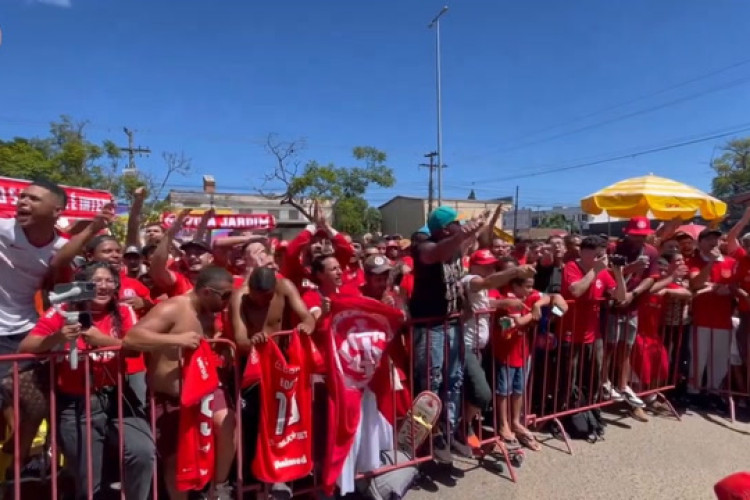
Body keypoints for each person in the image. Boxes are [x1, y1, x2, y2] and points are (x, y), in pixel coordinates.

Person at [19, 262, 154, 500]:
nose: (102, 286)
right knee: (88, 480)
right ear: (82, 285)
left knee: (142, 452)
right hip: (76, 406)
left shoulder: (123, 312)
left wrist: (103, 340)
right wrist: (58, 337)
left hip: (118, 399)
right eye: (95, 281)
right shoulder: (63, 309)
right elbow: (26, 347)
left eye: (109, 281)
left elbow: (134, 348)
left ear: (117, 286)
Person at [124, 267, 237, 500]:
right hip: (169, 397)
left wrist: (222, 349)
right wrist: (176, 339)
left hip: (204, 390)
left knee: (226, 422)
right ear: (206, 292)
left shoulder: (209, 311)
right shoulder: (174, 307)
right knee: (176, 458)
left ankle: (220, 487)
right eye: (225, 296)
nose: (228, 301)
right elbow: (132, 338)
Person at [0, 179, 76, 478]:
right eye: (21, 197)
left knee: (33, 407)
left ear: (56, 210)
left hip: (22, 334)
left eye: (32, 198)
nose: (22, 202)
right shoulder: (3, 229)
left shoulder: (63, 248)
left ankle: (12, 473)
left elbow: (61, 295)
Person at [410, 206, 485, 463]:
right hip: (430, 327)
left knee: (453, 380)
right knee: (431, 383)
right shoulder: (425, 246)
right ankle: (432, 435)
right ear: (444, 229)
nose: (459, 226)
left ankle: (450, 431)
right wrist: (459, 236)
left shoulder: (455, 245)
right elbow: (436, 254)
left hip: (451, 324)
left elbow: (472, 243)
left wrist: (475, 227)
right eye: (456, 223)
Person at [460, 249, 535, 450]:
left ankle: (464, 427)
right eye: (485, 265)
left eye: (492, 265)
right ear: (474, 265)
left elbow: (487, 301)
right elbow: (486, 283)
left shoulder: (482, 286)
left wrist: (503, 302)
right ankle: (462, 427)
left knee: (471, 391)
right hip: (465, 345)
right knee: (482, 393)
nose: (489, 268)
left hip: (480, 346)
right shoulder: (471, 280)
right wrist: (515, 271)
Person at [602, 217, 659, 413]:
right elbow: (604, 272)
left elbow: (651, 277)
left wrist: (633, 294)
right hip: (611, 305)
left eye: (643, 235)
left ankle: (623, 385)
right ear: (628, 232)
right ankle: (604, 381)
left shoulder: (651, 251)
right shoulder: (613, 248)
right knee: (609, 345)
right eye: (636, 235)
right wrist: (630, 268)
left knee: (626, 346)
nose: (639, 239)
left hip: (632, 305)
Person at [687, 228, 736, 397]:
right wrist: (710, 264)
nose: (713, 242)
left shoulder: (730, 262)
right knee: (698, 358)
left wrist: (729, 290)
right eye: (708, 239)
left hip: (723, 320)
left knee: (720, 360)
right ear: (700, 242)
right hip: (701, 319)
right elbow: (695, 284)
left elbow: (736, 286)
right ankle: (693, 391)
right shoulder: (694, 261)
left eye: (716, 239)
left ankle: (714, 392)